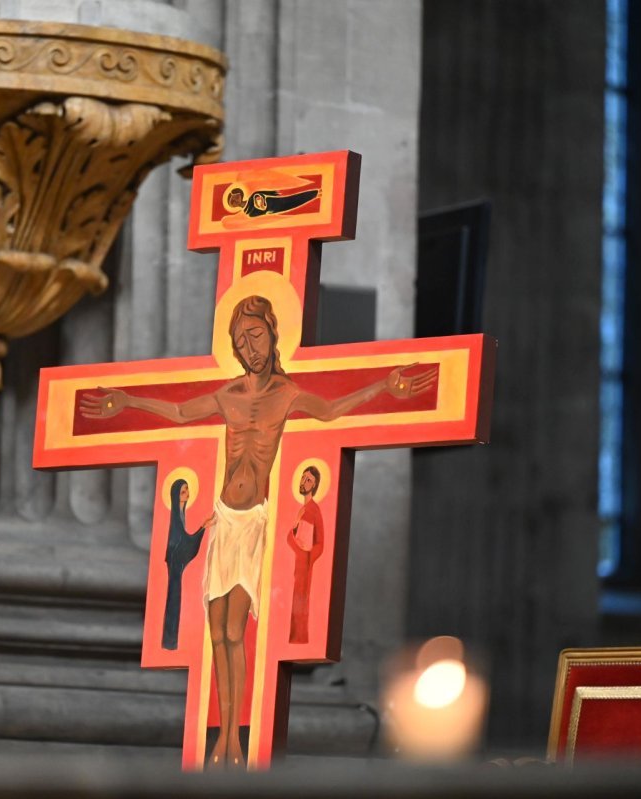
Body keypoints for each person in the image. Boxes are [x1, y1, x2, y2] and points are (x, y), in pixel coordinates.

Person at [79, 295, 435, 768]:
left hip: (253, 523)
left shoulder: (286, 395)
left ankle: (231, 736)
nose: (249, 347)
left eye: (256, 335)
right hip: (224, 518)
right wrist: (128, 403)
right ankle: (223, 736)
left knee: (236, 630)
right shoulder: (228, 395)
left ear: (272, 330)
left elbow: (330, 411)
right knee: (216, 636)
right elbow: (182, 413)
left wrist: (384, 388)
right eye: (240, 341)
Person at [162, 479, 209, 651]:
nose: (187, 493)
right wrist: (202, 529)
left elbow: (184, 541)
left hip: (177, 562)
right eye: (183, 492)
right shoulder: (175, 516)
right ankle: (169, 640)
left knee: (176, 600)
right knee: (173, 601)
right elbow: (180, 541)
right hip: (175, 563)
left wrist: (202, 528)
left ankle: (171, 639)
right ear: (175, 496)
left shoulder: (181, 513)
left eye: (187, 490)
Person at [287, 466, 324, 644]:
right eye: (303, 478)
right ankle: (296, 638)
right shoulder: (304, 509)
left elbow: (314, 543)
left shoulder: (312, 510)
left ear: (315, 485)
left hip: (305, 567)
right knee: (296, 604)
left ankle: (299, 638)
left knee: (301, 604)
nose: (304, 482)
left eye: (309, 480)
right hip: (298, 565)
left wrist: (308, 554)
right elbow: (294, 538)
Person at [225, 185, 320, 218]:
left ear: (240, 195)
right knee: (294, 202)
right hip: (275, 209)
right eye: (233, 202)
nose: (236, 201)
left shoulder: (254, 196)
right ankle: (315, 193)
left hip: (277, 202)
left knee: (294, 199)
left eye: (235, 198)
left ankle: (316, 193)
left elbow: (262, 200)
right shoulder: (249, 214)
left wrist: (260, 202)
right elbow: (262, 210)